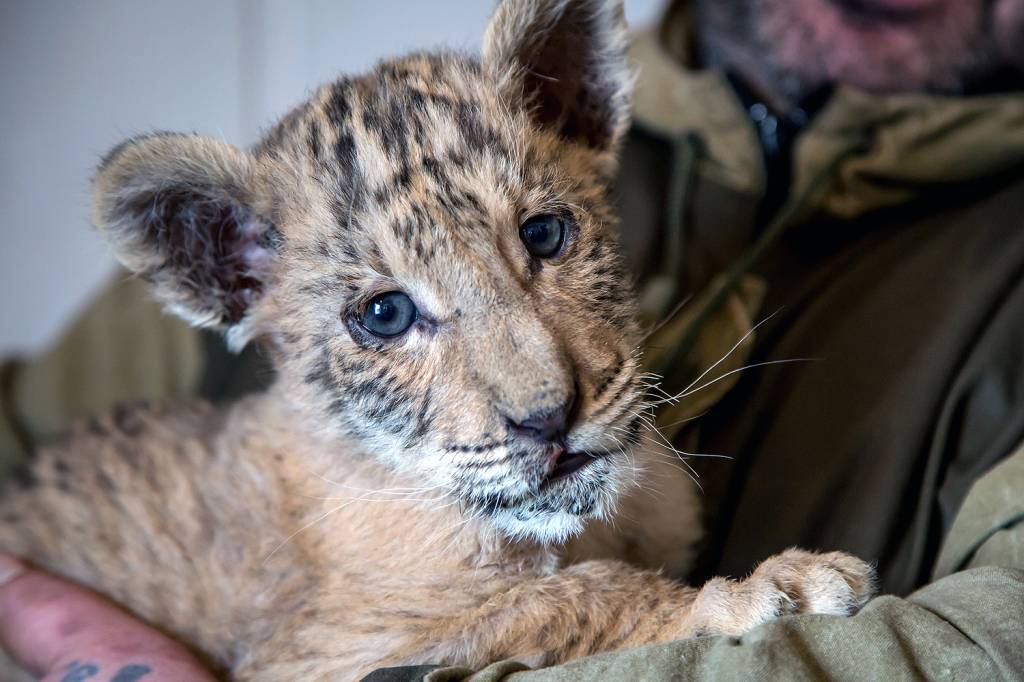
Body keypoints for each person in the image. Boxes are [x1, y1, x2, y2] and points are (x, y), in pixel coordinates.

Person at [3, 0, 1024, 679]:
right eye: (385, 314)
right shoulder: (282, 252)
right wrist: (636, 612)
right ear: (226, 273)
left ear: (576, 100)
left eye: (543, 237)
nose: (540, 391)